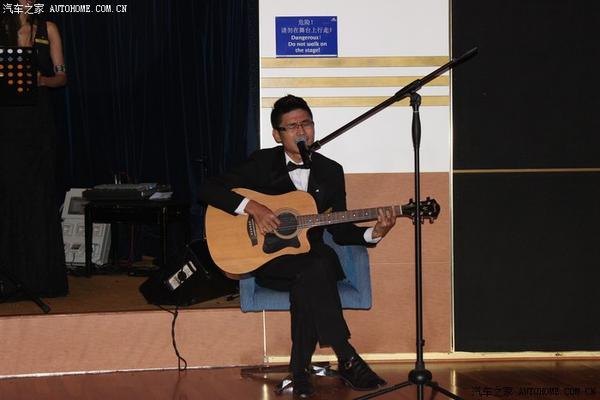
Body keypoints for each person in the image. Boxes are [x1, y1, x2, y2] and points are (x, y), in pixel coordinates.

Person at [199, 95, 396, 398]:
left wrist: (375, 231)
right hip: (270, 262)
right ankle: (346, 356)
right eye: (292, 126)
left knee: (312, 272)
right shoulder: (262, 163)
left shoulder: (330, 171)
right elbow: (207, 188)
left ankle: (299, 371)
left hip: (311, 261)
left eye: (306, 123)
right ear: (277, 135)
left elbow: (341, 231)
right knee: (316, 270)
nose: (301, 131)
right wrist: (253, 207)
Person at [0, 1, 68, 298]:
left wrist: (43, 79)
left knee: (37, 192)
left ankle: (40, 275)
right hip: (6, 119)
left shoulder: (48, 28)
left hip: (37, 119)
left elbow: (62, 76)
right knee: (7, 191)